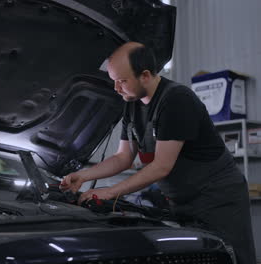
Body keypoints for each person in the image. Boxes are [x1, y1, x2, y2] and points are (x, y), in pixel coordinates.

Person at [60, 42, 256, 264]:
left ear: (144, 75)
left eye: (122, 81)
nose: (116, 88)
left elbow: (162, 166)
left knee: (231, 258)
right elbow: (123, 157)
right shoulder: (132, 104)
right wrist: (84, 176)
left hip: (218, 199)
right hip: (181, 199)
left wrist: (111, 192)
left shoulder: (176, 100)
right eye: (114, 81)